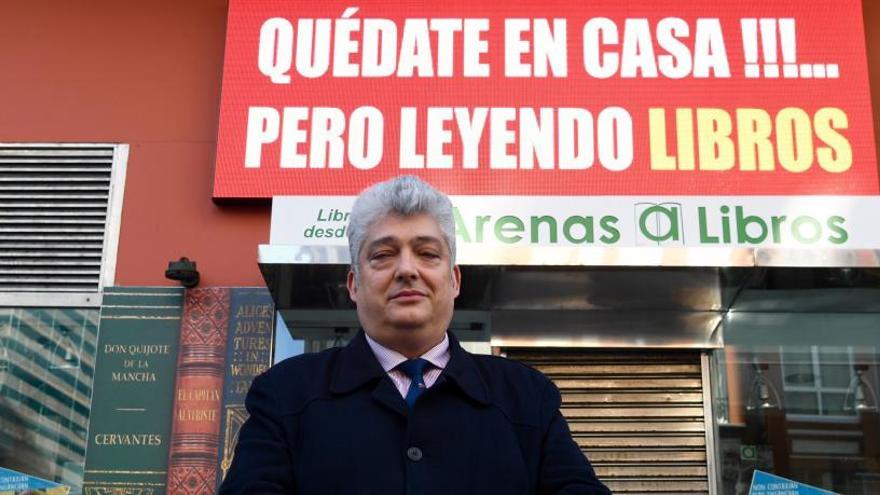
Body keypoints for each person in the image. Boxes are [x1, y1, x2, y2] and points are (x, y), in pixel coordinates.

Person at [219, 176, 611, 494]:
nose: (407, 269)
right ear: (354, 284)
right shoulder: (284, 394)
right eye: (383, 255)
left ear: (454, 280)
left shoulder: (527, 396)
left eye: (427, 253)